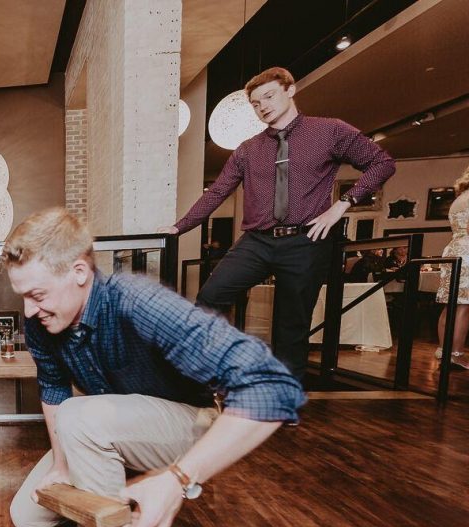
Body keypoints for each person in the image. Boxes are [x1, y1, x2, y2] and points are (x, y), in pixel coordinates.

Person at [4, 207, 304, 527]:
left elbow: (274, 386)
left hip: (191, 424)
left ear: (79, 271)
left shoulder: (137, 300)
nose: (28, 311)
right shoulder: (42, 324)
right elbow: (53, 389)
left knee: (79, 416)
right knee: (26, 517)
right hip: (116, 429)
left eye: (37, 295)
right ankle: (123, 479)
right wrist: (60, 464)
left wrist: (178, 478)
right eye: (22, 296)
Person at [166, 67, 396, 380]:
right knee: (210, 297)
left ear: (290, 90)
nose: (263, 106)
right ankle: (218, 370)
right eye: (256, 103)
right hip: (257, 241)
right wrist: (179, 227)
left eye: (269, 96)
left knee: (292, 326)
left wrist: (342, 204)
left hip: (306, 241)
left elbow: (382, 163)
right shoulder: (247, 149)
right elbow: (218, 191)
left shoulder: (328, 131)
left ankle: (283, 398)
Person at [435, 165, 469, 370]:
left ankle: (444, 350)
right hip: (467, 251)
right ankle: (456, 354)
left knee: (451, 305)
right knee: (465, 305)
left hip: (453, 249)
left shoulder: (459, 199)